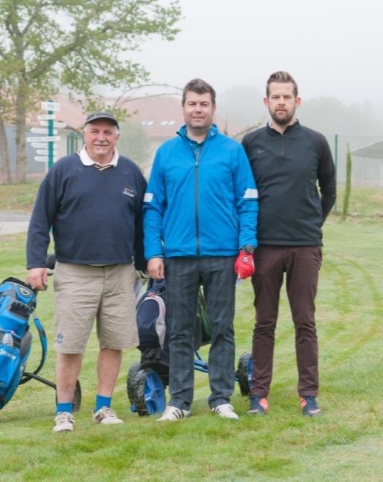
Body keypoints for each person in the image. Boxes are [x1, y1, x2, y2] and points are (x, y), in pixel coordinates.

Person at [144, 78, 258, 422]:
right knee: (179, 329)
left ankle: (220, 397)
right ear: (184, 108)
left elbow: (248, 201)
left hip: (222, 254)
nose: (198, 109)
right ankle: (179, 401)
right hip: (178, 256)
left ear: (213, 109)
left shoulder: (231, 151)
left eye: (204, 103)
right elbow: (153, 207)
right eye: (192, 103)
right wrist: (153, 252)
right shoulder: (166, 153)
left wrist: (246, 246)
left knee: (223, 327)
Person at [26, 111, 147, 433]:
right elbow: (41, 220)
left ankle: (103, 407)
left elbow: (142, 224)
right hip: (75, 271)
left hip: (120, 273)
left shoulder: (131, 173)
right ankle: (64, 412)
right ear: (85, 134)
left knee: (113, 342)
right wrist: (36, 262)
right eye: (95, 131)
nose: (101, 137)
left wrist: (147, 260)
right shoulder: (64, 170)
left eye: (108, 131)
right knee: (71, 345)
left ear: (117, 136)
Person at [241, 71, 336, 417]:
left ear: (297, 101)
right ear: (266, 102)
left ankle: (308, 395)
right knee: (264, 322)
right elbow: (243, 194)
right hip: (264, 247)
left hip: (305, 247)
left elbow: (329, 192)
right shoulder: (251, 144)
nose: (281, 102)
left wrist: (310, 225)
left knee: (304, 322)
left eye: (287, 96)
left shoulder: (316, 142)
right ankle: (258, 394)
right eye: (275, 97)